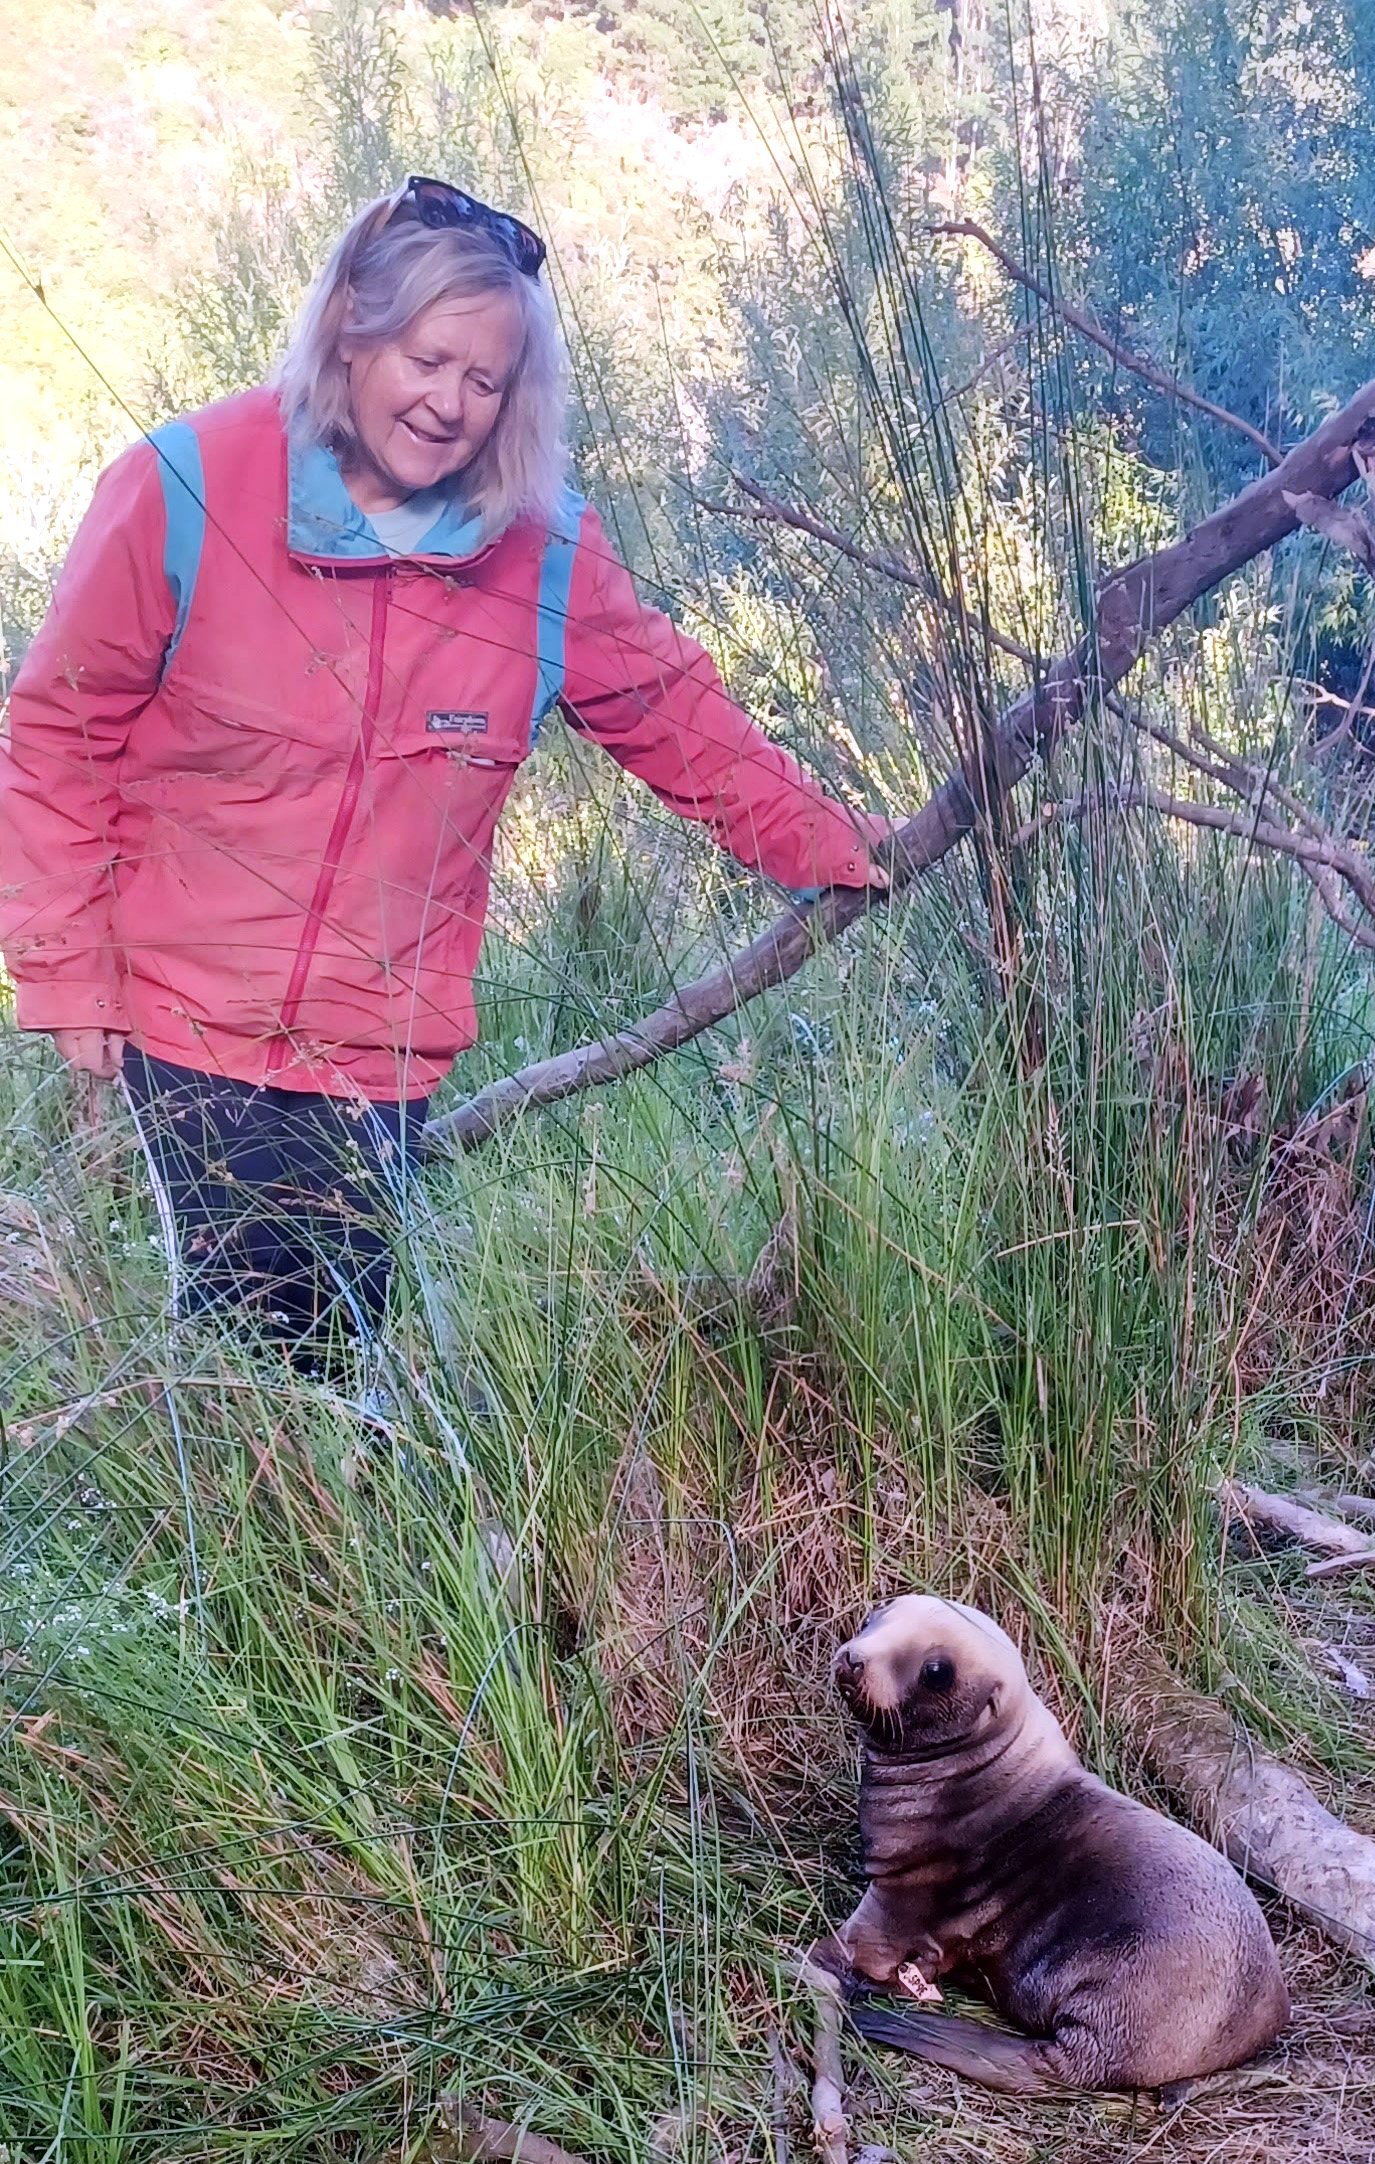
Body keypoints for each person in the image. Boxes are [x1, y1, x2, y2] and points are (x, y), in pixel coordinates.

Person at [0, 176, 888, 1376]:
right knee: (241, 1359)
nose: (452, 403)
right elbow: (58, 732)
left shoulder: (545, 548)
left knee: (342, 1345)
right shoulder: (184, 483)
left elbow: (674, 716)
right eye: (429, 360)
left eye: (487, 381)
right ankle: (238, 1544)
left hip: (385, 1039)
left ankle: (322, 1541)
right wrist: (68, 974)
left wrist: (828, 842)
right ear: (352, 334)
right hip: (187, 1013)